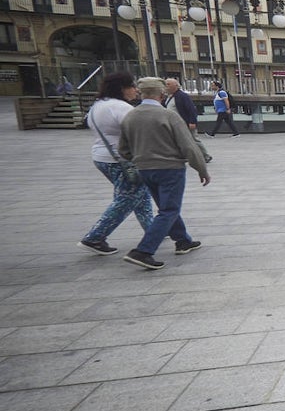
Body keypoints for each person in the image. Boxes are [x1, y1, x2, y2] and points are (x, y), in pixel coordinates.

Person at [119, 77, 210, 270]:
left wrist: (140, 157)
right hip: (170, 168)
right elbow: (188, 146)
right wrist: (201, 169)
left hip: (144, 169)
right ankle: (144, 251)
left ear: (142, 93)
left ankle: (183, 240)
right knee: (169, 209)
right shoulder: (168, 116)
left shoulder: (130, 116)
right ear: (162, 95)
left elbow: (123, 150)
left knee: (166, 206)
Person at [79, 71, 153, 255]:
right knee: (127, 198)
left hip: (102, 156)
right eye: (132, 87)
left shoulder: (98, 105)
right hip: (121, 159)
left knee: (140, 195)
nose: (136, 90)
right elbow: (140, 132)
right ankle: (95, 236)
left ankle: (154, 230)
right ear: (122, 88)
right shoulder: (121, 107)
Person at [165, 78, 211, 163]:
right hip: (174, 124)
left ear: (175, 85)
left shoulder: (182, 96)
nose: (166, 86)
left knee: (193, 139)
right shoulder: (169, 97)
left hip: (184, 122)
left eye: (168, 84)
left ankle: (205, 155)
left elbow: (191, 109)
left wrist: (192, 122)